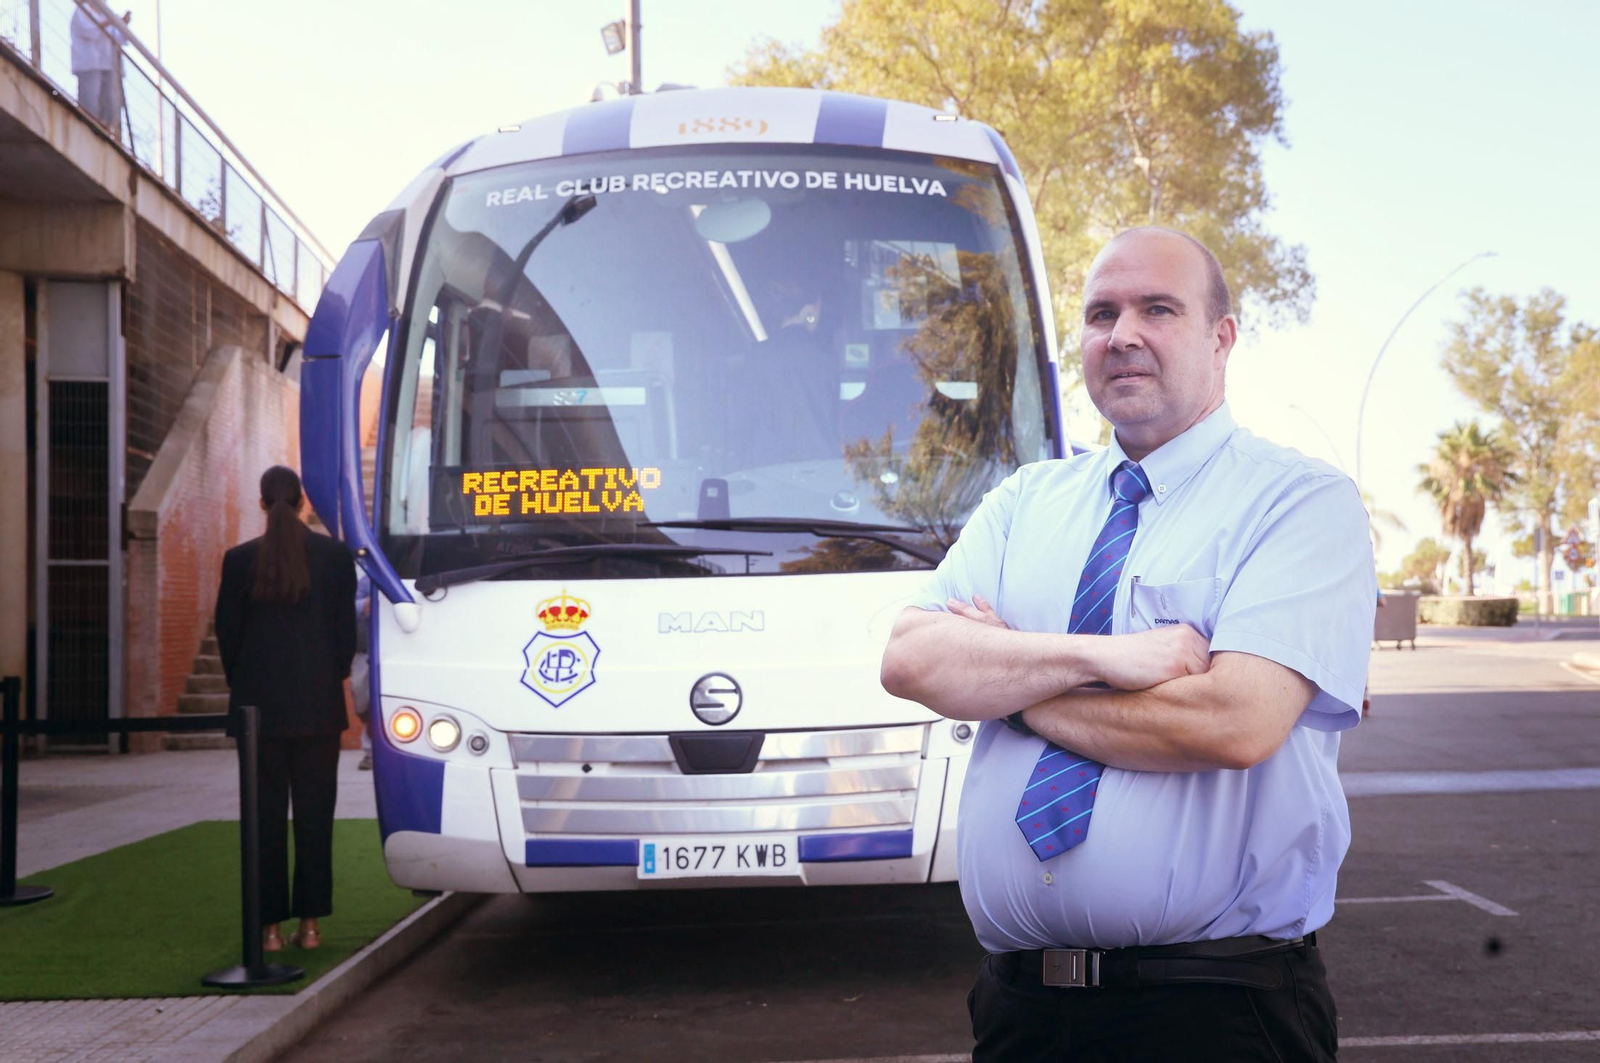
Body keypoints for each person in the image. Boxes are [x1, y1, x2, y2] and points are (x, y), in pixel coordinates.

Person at [880, 227, 1375, 1062]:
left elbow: (1231, 722)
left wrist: (1013, 680)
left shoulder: (1297, 504)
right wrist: (1107, 658)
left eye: (1158, 308)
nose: (1124, 334)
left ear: (1221, 337)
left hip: (1216, 1013)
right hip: (1021, 1010)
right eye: (1102, 313)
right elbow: (911, 658)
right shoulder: (1025, 502)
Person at [215, 466, 357, 952]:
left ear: (261, 503)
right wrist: (326, 678)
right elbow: (345, 640)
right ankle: (311, 927)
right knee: (315, 817)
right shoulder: (335, 558)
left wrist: (248, 688)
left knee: (264, 821)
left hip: (258, 711)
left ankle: (269, 931)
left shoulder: (238, 561)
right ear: (303, 503)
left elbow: (227, 638)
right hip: (317, 709)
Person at [69, 4, 130, 137]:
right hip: (88, 65)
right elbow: (89, 31)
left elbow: (117, 38)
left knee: (108, 102)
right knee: (90, 100)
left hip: (106, 65)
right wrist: (111, 21)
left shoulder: (105, 15)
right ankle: (88, 127)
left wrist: (123, 24)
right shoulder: (82, 11)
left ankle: (105, 129)